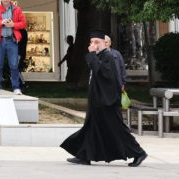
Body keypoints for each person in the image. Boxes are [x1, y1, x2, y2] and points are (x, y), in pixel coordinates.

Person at [61, 30, 146, 166]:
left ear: (105, 44)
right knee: (91, 128)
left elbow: (101, 73)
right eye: (92, 42)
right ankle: (84, 156)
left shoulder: (108, 56)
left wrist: (91, 54)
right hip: (98, 101)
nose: (94, 45)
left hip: (108, 102)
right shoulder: (100, 56)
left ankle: (139, 153)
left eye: (97, 42)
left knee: (117, 129)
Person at [0, 0, 26, 95]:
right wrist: (1, 22)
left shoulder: (17, 9)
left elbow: (23, 23)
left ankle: (16, 88)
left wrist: (13, 25)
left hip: (11, 40)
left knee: (14, 65)